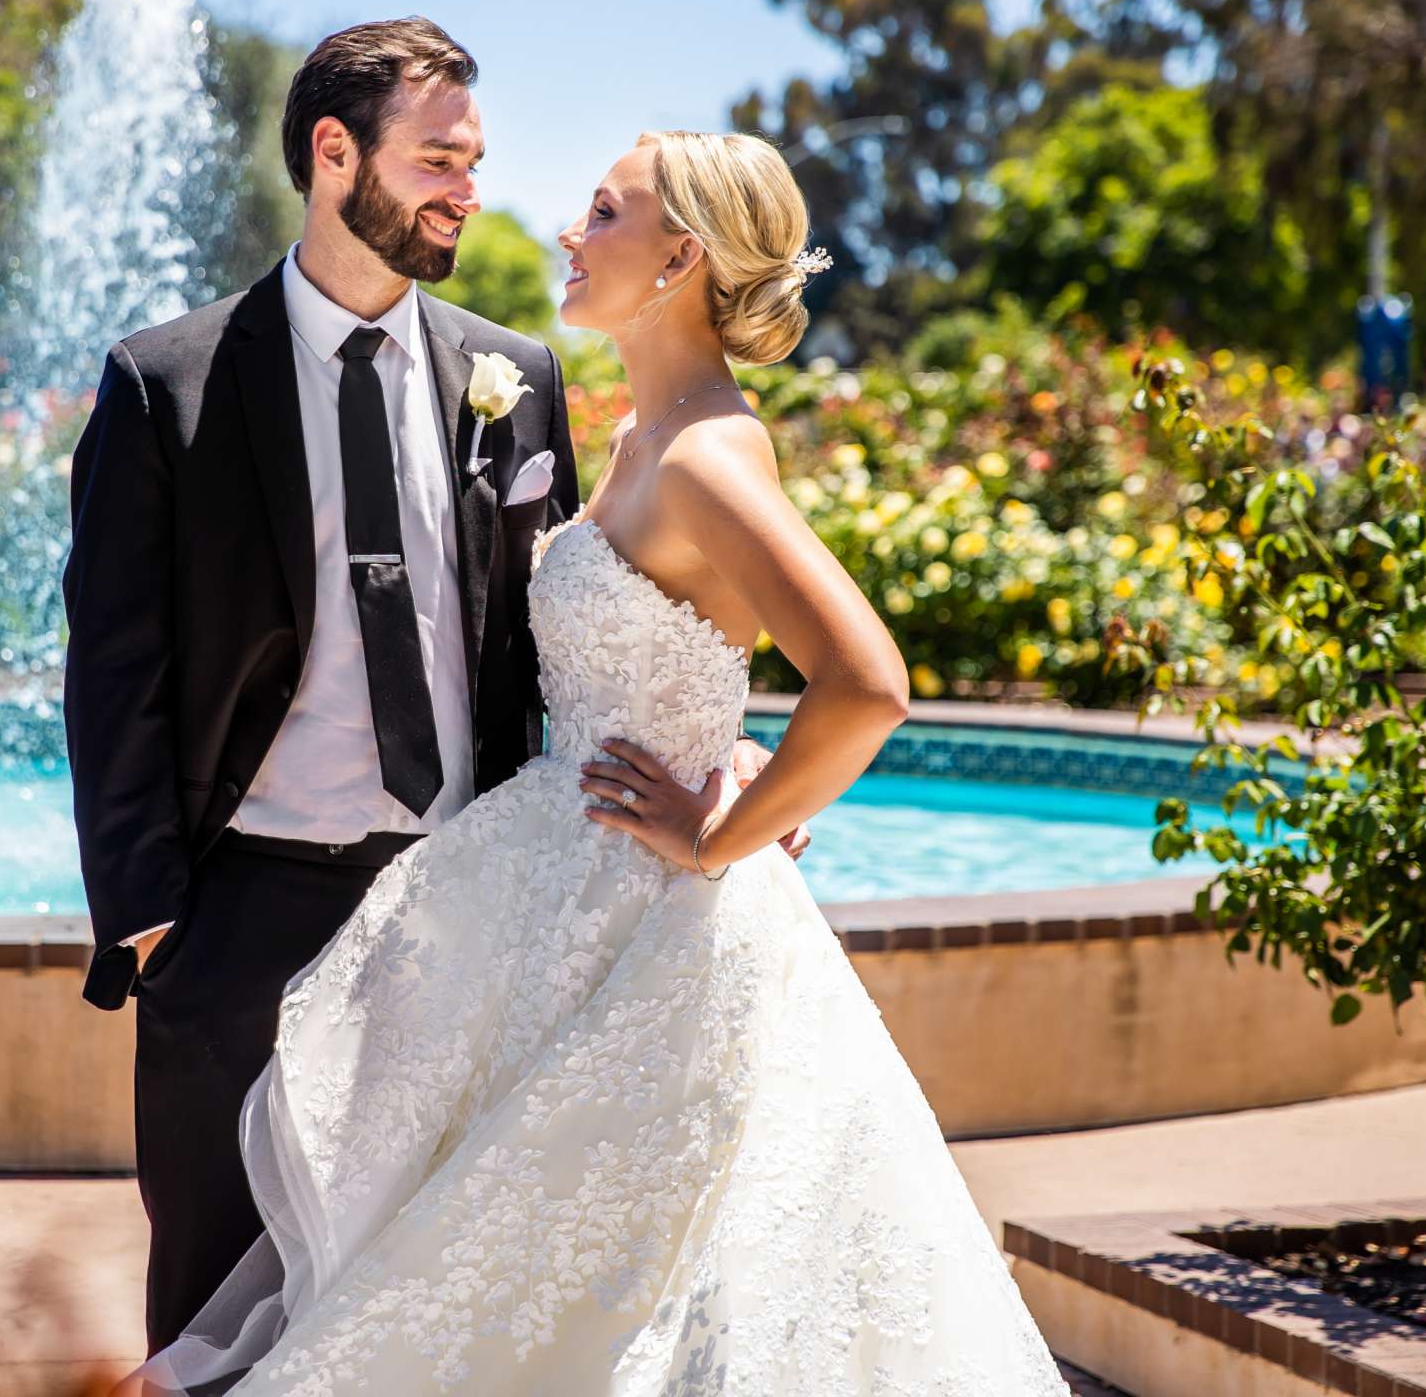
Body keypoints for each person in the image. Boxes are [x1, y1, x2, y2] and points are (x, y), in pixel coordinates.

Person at [131, 132, 1065, 1393]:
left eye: (603, 212)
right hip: (559, 905)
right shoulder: (642, 437)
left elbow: (869, 684)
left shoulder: (704, 454)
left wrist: (719, 831)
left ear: (680, 257)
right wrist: (727, 739)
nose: (572, 233)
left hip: (652, 928)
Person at [61, 19, 792, 1355]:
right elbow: (111, 673)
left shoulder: (513, 379)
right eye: (439, 160)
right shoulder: (166, 385)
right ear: (334, 155)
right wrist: (155, 923)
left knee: (423, 1322)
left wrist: (731, 758)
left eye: (476, 159)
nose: (470, 189)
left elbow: (589, 623)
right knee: (213, 1318)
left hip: (469, 913)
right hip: (239, 925)